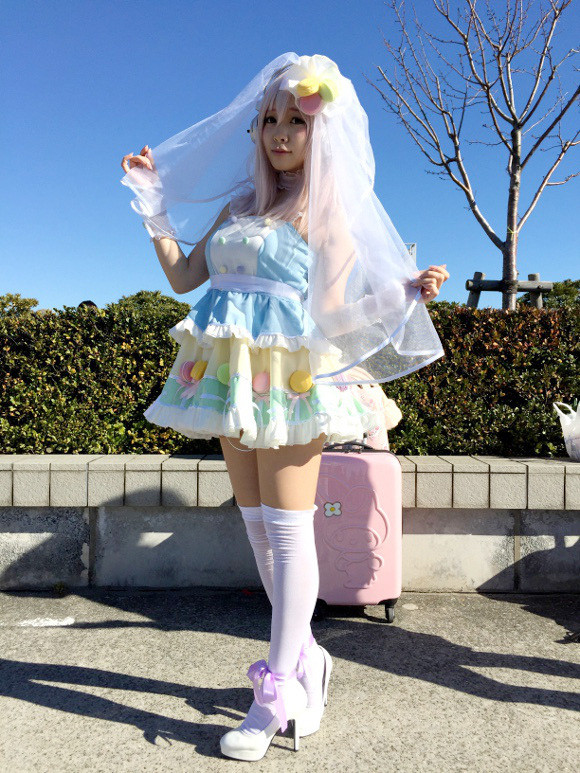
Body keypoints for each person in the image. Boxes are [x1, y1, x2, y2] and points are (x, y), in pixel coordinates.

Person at [121, 53, 449, 762]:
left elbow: (334, 315)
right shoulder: (239, 207)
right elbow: (184, 278)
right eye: (269, 120)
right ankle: (307, 661)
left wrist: (401, 293)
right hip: (231, 379)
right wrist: (153, 206)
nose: (278, 134)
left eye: (295, 122)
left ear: (319, 132)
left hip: (291, 381)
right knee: (259, 532)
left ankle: (274, 694)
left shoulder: (325, 216)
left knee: (290, 532)